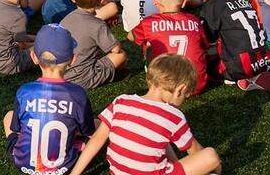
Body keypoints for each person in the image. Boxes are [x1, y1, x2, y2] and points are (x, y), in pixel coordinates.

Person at [70, 54, 221, 175]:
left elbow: (96, 140)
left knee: (159, 136)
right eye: (186, 96)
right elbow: (195, 151)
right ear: (180, 89)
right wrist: (214, 167)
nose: (184, 100)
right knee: (210, 155)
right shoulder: (173, 115)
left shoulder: (121, 101)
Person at [3, 24, 94, 175]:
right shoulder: (78, 94)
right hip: (65, 166)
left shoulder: (24, 91)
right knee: (96, 124)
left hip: (24, 163)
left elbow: (17, 128)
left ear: (34, 57)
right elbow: (88, 131)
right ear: (73, 60)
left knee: (9, 116)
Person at [131, 0, 209, 94]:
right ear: (184, 2)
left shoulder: (149, 23)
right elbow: (205, 46)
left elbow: (130, 37)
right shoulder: (194, 20)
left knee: (147, 44)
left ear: (155, 1)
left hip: (163, 86)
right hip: (196, 84)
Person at [60, 0, 127, 89]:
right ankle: (113, 74)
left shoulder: (65, 20)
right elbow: (116, 49)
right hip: (83, 77)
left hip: (62, 73)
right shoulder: (97, 24)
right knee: (121, 55)